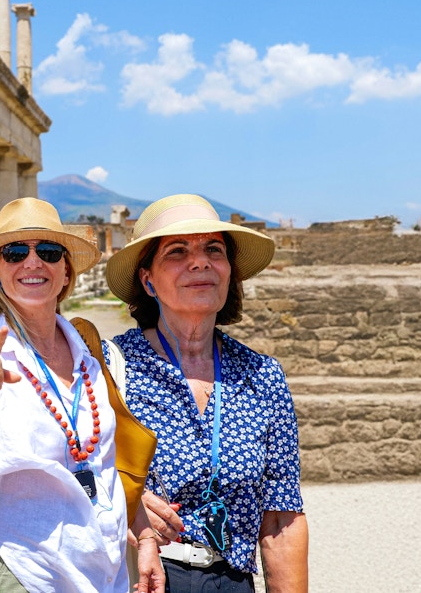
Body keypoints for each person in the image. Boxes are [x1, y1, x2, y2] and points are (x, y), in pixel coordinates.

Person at [103, 193, 309, 592]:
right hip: (142, 576)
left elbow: (281, 517)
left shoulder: (263, 376)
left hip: (232, 581)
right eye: (177, 252)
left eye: (213, 249)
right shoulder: (109, 367)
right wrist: (123, 500)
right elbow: (66, 471)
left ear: (229, 271)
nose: (200, 261)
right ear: (148, 279)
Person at [0, 198, 164, 593]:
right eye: (16, 252)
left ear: (65, 271)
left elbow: (104, 465)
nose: (33, 263)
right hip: (20, 569)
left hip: (99, 569)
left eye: (49, 252)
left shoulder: (88, 355)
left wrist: (146, 538)